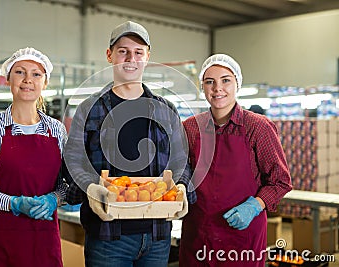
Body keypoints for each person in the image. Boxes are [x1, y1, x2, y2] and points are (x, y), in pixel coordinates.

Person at [63, 21, 194, 267]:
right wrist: (91, 187)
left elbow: (181, 160)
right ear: (110, 55)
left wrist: (183, 186)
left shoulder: (166, 110)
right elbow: (73, 161)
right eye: (123, 51)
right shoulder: (90, 109)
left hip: (157, 235)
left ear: (147, 58)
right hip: (108, 236)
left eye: (138, 52)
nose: (130, 58)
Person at [0, 47, 68, 267]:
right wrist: (13, 203)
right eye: (20, 72)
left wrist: (54, 199)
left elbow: (67, 184)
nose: (28, 80)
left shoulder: (57, 130)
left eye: (36, 74)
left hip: (42, 242)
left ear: (45, 83)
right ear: (8, 79)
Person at [179, 54, 292, 266]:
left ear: (237, 84)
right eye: (209, 82)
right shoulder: (190, 127)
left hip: (242, 238)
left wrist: (255, 205)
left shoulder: (258, 127)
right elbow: (182, 172)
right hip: (198, 234)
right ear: (202, 87)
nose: (217, 88)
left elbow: (280, 181)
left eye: (225, 80)